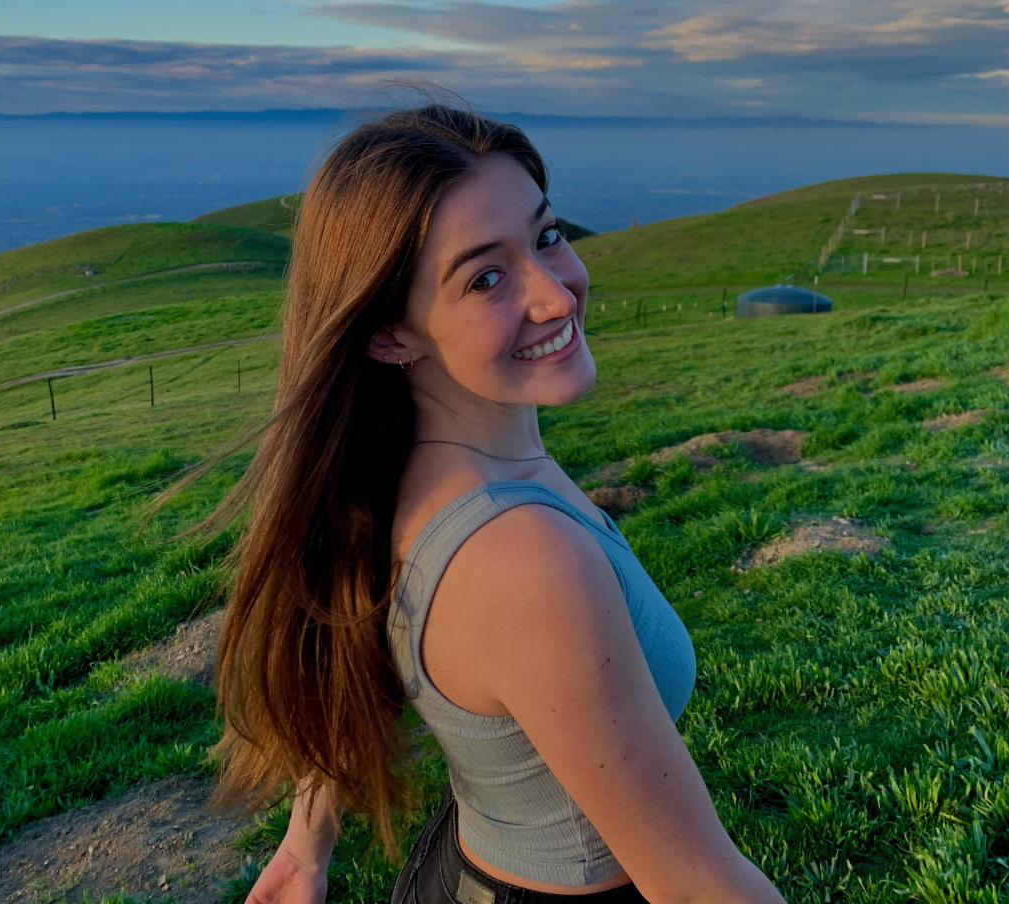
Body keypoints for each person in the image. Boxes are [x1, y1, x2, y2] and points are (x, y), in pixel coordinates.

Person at [203, 101, 786, 904]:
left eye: (546, 236)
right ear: (389, 334)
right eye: (485, 277)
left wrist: (308, 845)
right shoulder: (523, 562)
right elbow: (696, 883)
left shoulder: (399, 476)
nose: (557, 294)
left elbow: (352, 627)